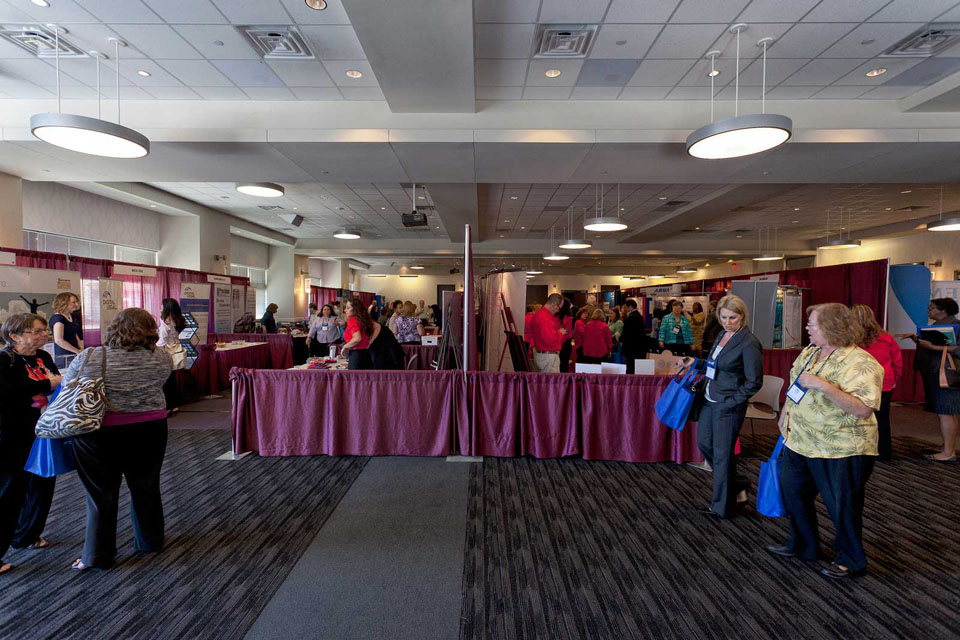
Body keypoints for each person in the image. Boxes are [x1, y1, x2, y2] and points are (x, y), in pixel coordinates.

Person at [768, 303, 883, 580]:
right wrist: (785, 414)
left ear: (833, 328)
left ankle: (851, 560)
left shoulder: (861, 363)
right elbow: (795, 386)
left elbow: (863, 408)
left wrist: (824, 386)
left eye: (812, 324)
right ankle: (804, 544)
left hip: (841, 448)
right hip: (800, 440)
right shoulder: (811, 352)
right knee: (793, 492)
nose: (807, 328)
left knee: (841, 505)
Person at [67, 308, 173, 570]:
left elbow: (69, 387)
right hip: (149, 428)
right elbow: (162, 382)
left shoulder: (89, 357)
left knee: (100, 494)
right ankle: (150, 541)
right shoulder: (161, 358)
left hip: (97, 431)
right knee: (146, 485)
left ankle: (97, 555)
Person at [680, 295, 763, 519]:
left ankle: (721, 507)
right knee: (704, 443)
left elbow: (754, 381)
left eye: (732, 318)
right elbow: (714, 364)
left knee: (723, 455)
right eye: (724, 317)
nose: (728, 322)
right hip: (709, 398)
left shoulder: (749, 342)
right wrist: (695, 362)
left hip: (728, 404)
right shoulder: (720, 334)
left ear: (742, 317)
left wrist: (732, 402)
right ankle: (739, 485)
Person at [0, 313, 63, 575]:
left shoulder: (44, 357)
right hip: (13, 434)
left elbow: (57, 383)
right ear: (15, 336)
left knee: (42, 484)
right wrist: (46, 383)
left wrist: (48, 383)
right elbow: (8, 393)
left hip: (43, 430)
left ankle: (27, 535)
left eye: (44, 330)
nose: (43, 335)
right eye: (36, 331)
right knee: (10, 492)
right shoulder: (5, 361)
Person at [899, 297, 960, 463]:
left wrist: (932, 347)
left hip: (946, 374)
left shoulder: (956, 326)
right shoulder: (939, 325)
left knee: (946, 411)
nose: (928, 310)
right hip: (936, 372)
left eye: (932, 308)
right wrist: (917, 339)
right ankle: (948, 447)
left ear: (943, 310)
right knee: (947, 411)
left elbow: (955, 349)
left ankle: (948, 453)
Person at [851, 304, 903, 461]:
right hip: (884, 383)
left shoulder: (850, 339)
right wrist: (895, 379)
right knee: (882, 419)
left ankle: (860, 450)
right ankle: (883, 452)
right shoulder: (886, 337)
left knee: (857, 417)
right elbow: (897, 361)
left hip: (858, 383)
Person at [157, 298, 186, 411]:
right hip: (176, 350)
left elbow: (162, 340)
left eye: (162, 306)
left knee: (166, 381)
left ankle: (168, 406)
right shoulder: (178, 320)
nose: (160, 308)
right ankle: (173, 405)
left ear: (166, 308)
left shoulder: (165, 321)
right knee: (172, 379)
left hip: (166, 352)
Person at [530, 293, 567, 373]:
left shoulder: (539, 314)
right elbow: (550, 340)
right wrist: (560, 333)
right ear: (553, 304)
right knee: (551, 384)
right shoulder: (545, 318)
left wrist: (556, 333)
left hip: (542, 355)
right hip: (548, 357)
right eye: (559, 308)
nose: (558, 311)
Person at [49, 292, 83, 370]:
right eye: (73, 302)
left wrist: (79, 346)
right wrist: (76, 351)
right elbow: (59, 340)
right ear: (64, 303)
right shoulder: (58, 318)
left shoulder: (71, 316)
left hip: (74, 351)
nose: (76, 304)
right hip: (64, 353)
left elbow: (74, 333)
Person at [340, 297, 375, 370]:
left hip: (357, 355)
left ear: (355, 309)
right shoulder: (364, 320)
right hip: (368, 354)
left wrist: (345, 346)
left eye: (348, 308)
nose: (345, 310)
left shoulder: (352, 320)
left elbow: (357, 338)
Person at [620, 299, 648, 374]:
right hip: (639, 348)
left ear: (630, 307)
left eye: (625, 307)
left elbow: (627, 333)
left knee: (631, 367)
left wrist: (621, 339)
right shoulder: (639, 316)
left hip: (631, 348)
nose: (624, 309)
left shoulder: (631, 317)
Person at [558, 298, 574, 373]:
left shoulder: (557, 317)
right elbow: (567, 332)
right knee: (564, 366)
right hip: (565, 343)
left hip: (558, 342)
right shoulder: (568, 318)